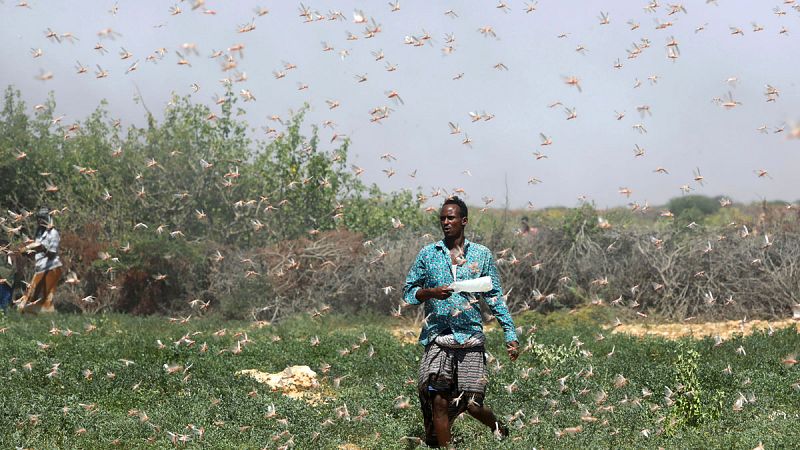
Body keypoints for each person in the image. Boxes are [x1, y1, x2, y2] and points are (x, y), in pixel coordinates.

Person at [403, 196, 519, 448]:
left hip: (470, 338)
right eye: (442, 218)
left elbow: (494, 296)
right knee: (439, 400)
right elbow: (408, 292)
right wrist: (431, 292)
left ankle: (498, 427)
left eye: (451, 217)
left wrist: (510, 333)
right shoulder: (429, 254)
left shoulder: (481, 255)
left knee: (472, 404)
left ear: (463, 221)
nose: (446, 222)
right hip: (438, 336)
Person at [17, 207, 63, 314]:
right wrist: (27, 252)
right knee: (34, 298)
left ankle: (46, 320)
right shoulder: (40, 233)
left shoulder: (53, 234)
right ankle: (37, 319)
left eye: (41, 219)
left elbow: (51, 254)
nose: (39, 222)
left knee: (40, 298)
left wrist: (41, 248)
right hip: (41, 268)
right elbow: (37, 250)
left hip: (51, 268)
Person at [0, 239, 18, 312]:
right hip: (4, 282)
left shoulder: (10, 256)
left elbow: (13, 269)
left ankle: (3, 318)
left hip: (7, 283)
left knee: (5, 301)